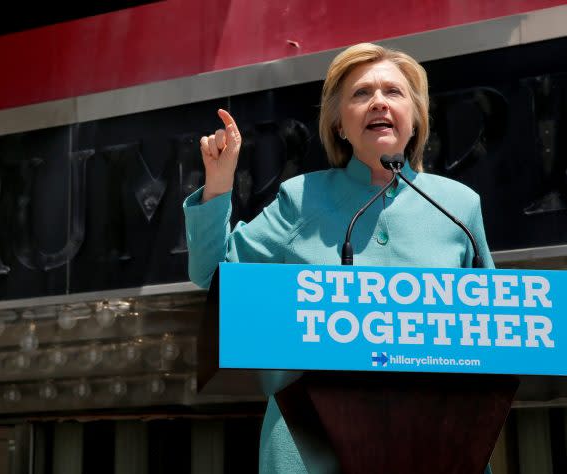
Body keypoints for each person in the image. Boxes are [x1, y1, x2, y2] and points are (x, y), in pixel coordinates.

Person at [183, 43, 495, 473]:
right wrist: (218, 186)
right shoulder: (301, 199)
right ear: (339, 124)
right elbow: (210, 273)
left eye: (394, 92)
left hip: (432, 448)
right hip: (310, 452)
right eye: (361, 94)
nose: (379, 102)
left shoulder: (459, 207)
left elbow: (493, 342)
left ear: (417, 117)